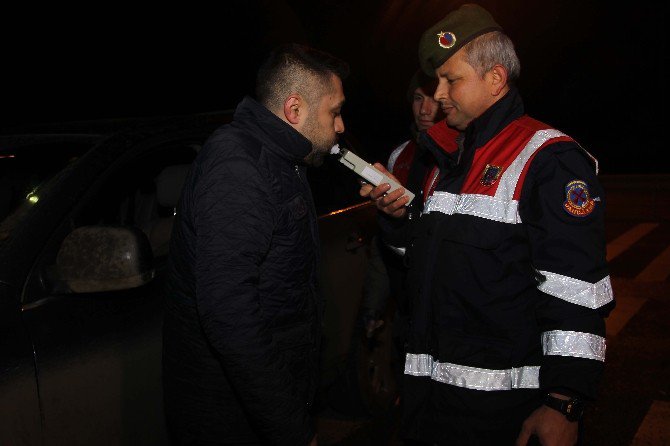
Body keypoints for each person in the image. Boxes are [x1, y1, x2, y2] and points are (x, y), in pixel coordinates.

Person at [361, 4, 614, 445]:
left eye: (451, 79)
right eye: (435, 81)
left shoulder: (549, 160)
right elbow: (421, 267)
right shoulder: (447, 160)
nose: (438, 94)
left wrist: (564, 402)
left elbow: (576, 294)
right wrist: (399, 222)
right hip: (430, 405)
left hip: (500, 416)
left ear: (495, 79)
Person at [162, 43, 348, 446]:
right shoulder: (238, 168)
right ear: (294, 110)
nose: (340, 126)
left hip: (262, 406)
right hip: (231, 417)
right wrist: (292, 429)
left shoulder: (283, 158)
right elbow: (231, 317)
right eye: (334, 112)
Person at [359, 70, 453, 396]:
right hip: (407, 309)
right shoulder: (399, 156)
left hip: (451, 314)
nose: (425, 109)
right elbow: (384, 243)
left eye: (432, 98)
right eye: (417, 98)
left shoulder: (465, 155)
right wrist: (373, 305)